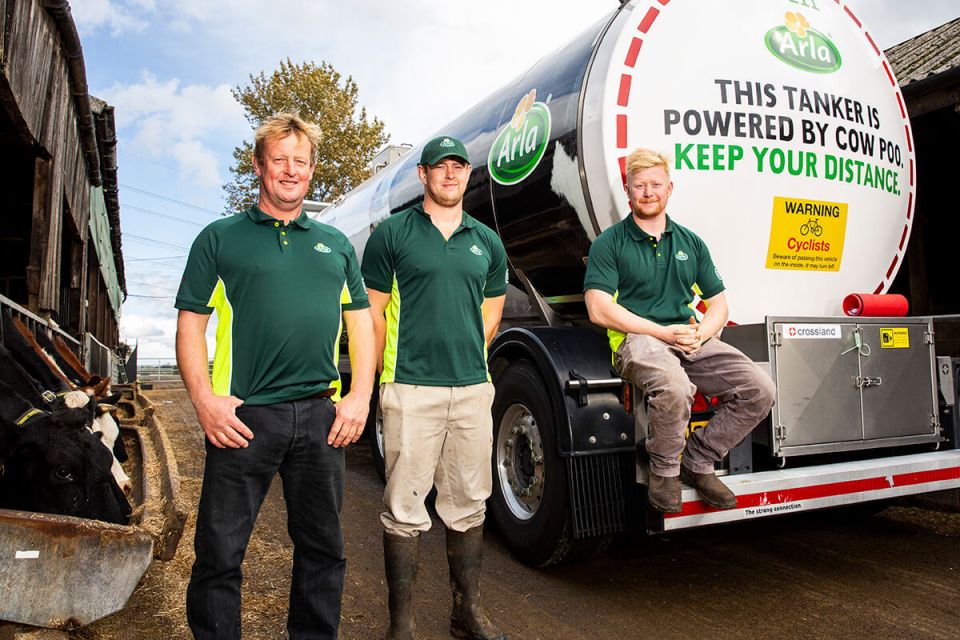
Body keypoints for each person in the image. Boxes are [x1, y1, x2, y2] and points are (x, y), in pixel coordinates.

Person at [175, 113, 375, 640]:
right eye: (280, 159)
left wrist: (358, 397)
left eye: (301, 162)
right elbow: (191, 326)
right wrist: (204, 402)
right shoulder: (220, 239)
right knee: (219, 553)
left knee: (323, 551)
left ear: (312, 171)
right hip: (243, 418)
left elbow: (363, 328)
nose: (291, 170)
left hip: (319, 418)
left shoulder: (334, 245)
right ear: (260, 166)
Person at [361, 135, 508, 640]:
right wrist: (369, 386)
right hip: (409, 389)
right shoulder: (393, 234)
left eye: (459, 166)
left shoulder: (486, 241)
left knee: (469, 502)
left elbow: (491, 315)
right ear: (422, 175)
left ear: (469, 174)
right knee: (404, 508)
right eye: (440, 167)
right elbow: (372, 314)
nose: (451, 174)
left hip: (472, 390)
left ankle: (466, 613)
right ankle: (401, 625)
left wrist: (465, 358)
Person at [583, 147, 775, 514]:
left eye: (656, 184)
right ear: (628, 191)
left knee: (760, 390)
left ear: (670, 187)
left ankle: (698, 459)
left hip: (687, 336)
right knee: (675, 388)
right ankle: (665, 469)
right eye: (639, 185)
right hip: (636, 339)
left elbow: (719, 304)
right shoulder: (610, 243)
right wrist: (662, 332)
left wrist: (701, 333)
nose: (648, 192)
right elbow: (599, 308)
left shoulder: (691, 243)